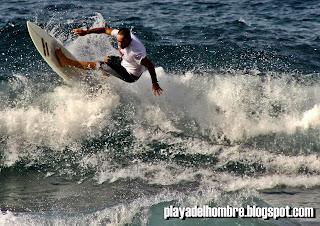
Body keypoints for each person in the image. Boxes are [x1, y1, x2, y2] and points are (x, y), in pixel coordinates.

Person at [55, 26, 163, 96]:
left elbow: (150, 66)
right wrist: (86, 32)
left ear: (129, 40)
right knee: (108, 59)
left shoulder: (137, 52)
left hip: (130, 74)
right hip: (125, 62)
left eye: (122, 43)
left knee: (99, 65)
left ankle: (66, 61)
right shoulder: (121, 34)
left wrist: (154, 83)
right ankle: (103, 85)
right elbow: (105, 29)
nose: (120, 45)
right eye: (118, 41)